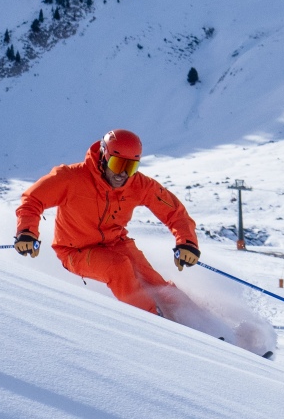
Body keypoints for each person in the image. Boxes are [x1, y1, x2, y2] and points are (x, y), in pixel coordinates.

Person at [14, 129, 202, 317]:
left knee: (155, 283)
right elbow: (33, 199)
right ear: (104, 156)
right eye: (117, 163)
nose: (123, 174)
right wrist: (27, 232)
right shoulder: (71, 177)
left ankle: (205, 325)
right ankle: (155, 321)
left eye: (130, 167)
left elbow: (173, 211)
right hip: (75, 251)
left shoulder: (138, 184)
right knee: (118, 267)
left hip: (116, 242)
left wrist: (187, 243)